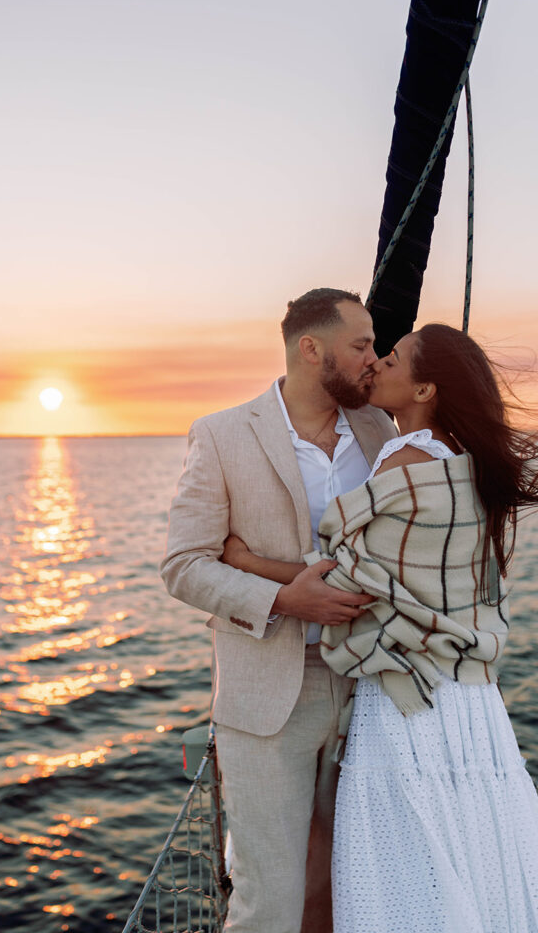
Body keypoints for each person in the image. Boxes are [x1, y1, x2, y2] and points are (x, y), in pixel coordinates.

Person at [224, 322, 538, 933]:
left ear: (424, 391)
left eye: (391, 358)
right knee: (471, 845)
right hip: (469, 700)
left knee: (409, 856)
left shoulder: (406, 458)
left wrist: (247, 562)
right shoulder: (460, 460)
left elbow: (351, 579)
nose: (377, 364)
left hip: (409, 699)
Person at [160, 288, 397, 933]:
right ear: (310, 348)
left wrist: (259, 564)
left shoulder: (382, 430)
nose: (374, 359)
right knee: (270, 899)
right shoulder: (222, 434)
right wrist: (281, 597)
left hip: (371, 689)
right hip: (267, 699)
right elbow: (182, 564)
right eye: (362, 345)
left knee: (343, 885)